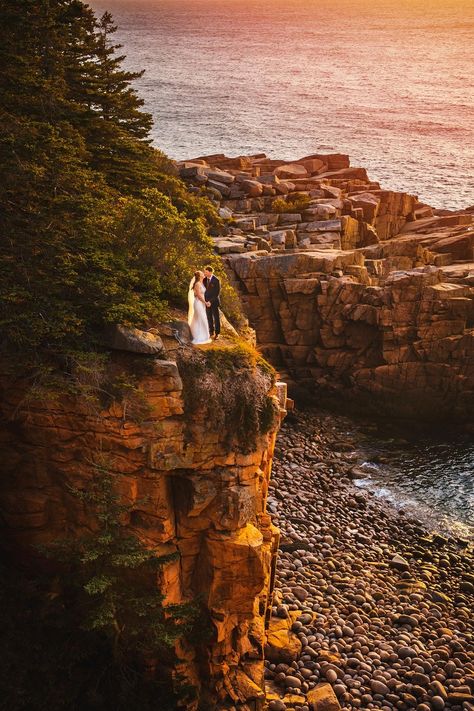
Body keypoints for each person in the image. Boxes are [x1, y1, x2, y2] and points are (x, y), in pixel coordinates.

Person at [188, 271, 211, 344]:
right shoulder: (197, 284)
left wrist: (206, 302)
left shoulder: (201, 283)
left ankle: (199, 335)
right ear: (199, 276)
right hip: (198, 303)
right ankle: (198, 337)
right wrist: (205, 302)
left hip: (202, 304)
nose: (203, 274)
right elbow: (198, 295)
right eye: (202, 273)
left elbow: (202, 294)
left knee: (198, 319)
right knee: (202, 319)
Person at [203, 266, 221, 340]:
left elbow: (217, 293)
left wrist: (210, 302)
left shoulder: (216, 280)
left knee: (216, 318)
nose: (205, 273)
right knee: (209, 317)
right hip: (206, 302)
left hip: (214, 302)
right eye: (205, 272)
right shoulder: (204, 280)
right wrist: (206, 301)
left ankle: (217, 333)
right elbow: (203, 291)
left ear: (210, 272)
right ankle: (211, 331)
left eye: (206, 272)